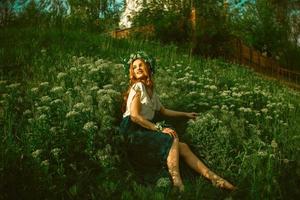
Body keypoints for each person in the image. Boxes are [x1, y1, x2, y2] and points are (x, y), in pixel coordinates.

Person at [120, 51, 236, 192]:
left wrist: (185, 114)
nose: (137, 68)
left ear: (148, 68)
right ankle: (178, 184)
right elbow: (134, 116)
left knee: (184, 147)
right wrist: (159, 129)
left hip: (144, 128)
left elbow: (163, 111)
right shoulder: (138, 87)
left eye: (141, 65)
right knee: (172, 136)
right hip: (132, 131)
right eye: (134, 67)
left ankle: (215, 179)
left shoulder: (151, 91)